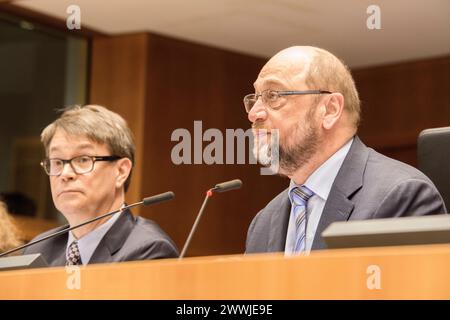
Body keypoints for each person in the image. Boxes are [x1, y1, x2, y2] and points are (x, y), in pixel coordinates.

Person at [244, 46, 447, 254]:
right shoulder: (263, 224)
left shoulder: (401, 195)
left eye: (273, 95)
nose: (255, 113)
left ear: (330, 110)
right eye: (255, 98)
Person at [24, 105, 178, 266]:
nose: (65, 174)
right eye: (57, 161)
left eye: (83, 159)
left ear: (121, 171)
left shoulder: (149, 250)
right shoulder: (38, 250)